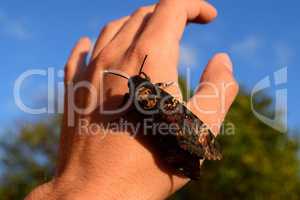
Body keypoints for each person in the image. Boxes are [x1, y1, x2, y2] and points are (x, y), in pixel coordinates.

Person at [25, 0, 239, 199]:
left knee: (160, 137)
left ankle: (187, 164)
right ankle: (188, 164)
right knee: (178, 129)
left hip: (161, 139)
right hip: (175, 123)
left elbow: (129, 111)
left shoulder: (133, 105)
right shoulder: (156, 94)